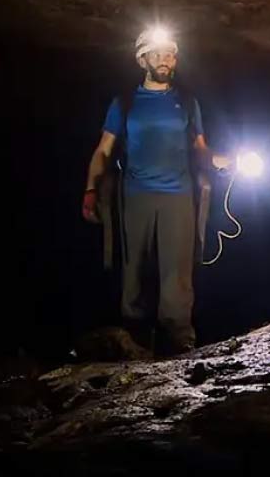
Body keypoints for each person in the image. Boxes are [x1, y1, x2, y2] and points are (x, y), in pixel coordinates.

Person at [82, 27, 231, 353]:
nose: (166, 60)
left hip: (178, 196)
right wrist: (91, 190)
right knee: (134, 270)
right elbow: (104, 150)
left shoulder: (187, 102)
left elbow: (200, 149)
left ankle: (179, 344)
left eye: (171, 54)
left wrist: (223, 161)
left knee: (176, 275)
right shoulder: (125, 102)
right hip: (136, 196)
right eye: (158, 54)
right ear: (142, 59)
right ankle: (134, 342)